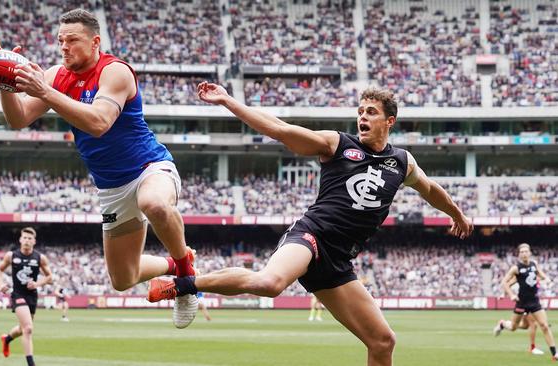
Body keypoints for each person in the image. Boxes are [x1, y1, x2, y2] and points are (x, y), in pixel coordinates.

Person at [148, 83, 473, 366]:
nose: (362, 117)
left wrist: (456, 214)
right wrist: (228, 101)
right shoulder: (338, 144)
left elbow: (430, 189)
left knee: (383, 341)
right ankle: (183, 284)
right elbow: (280, 130)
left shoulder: (402, 162)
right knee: (271, 283)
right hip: (311, 236)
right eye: (360, 111)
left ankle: (185, 283)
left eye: (371, 112)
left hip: (339, 261)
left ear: (390, 121)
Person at [0, 8, 198, 328]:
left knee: (153, 204)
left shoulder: (115, 72)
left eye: (72, 40)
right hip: (111, 188)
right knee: (124, 279)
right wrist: (5, 85)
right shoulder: (55, 76)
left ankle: (187, 278)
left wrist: (46, 92)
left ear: (95, 42)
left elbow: (99, 123)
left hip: (150, 167)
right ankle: (175, 263)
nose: (64, 47)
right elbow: (18, 120)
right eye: (59, 41)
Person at [0, 227, 53, 366]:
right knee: (28, 328)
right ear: (20, 239)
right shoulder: (11, 256)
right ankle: (31, 363)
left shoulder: (40, 258)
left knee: (22, 329)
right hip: (17, 294)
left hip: (32, 296)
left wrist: (37, 284)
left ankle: (7, 339)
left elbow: (50, 277)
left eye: (30, 238)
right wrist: (0, 283)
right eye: (25, 238)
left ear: (34, 241)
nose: (27, 241)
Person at [493, 243, 556, 360]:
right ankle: (503, 324)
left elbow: (542, 275)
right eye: (521, 252)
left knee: (543, 325)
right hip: (522, 302)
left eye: (526, 251)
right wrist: (510, 295)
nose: (524, 254)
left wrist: (547, 279)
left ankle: (554, 354)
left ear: (530, 253)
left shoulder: (534, 264)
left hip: (534, 301)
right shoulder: (516, 268)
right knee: (514, 327)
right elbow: (505, 282)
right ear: (519, 255)